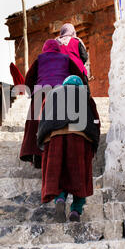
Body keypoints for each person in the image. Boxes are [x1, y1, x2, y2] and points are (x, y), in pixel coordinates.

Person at [37, 75, 100, 222]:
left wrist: (43, 139)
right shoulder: (86, 97)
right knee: (80, 175)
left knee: (60, 172)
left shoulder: (53, 95)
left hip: (55, 138)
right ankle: (76, 211)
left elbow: (43, 117)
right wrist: (94, 142)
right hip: (80, 137)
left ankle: (60, 200)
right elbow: (96, 120)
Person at [20, 39, 87, 168]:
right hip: (61, 92)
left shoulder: (40, 60)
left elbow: (28, 79)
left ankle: (37, 157)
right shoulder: (66, 58)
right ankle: (62, 156)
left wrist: (31, 92)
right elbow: (78, 74)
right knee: (61, 124)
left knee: (35, 122)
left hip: (41, 93)